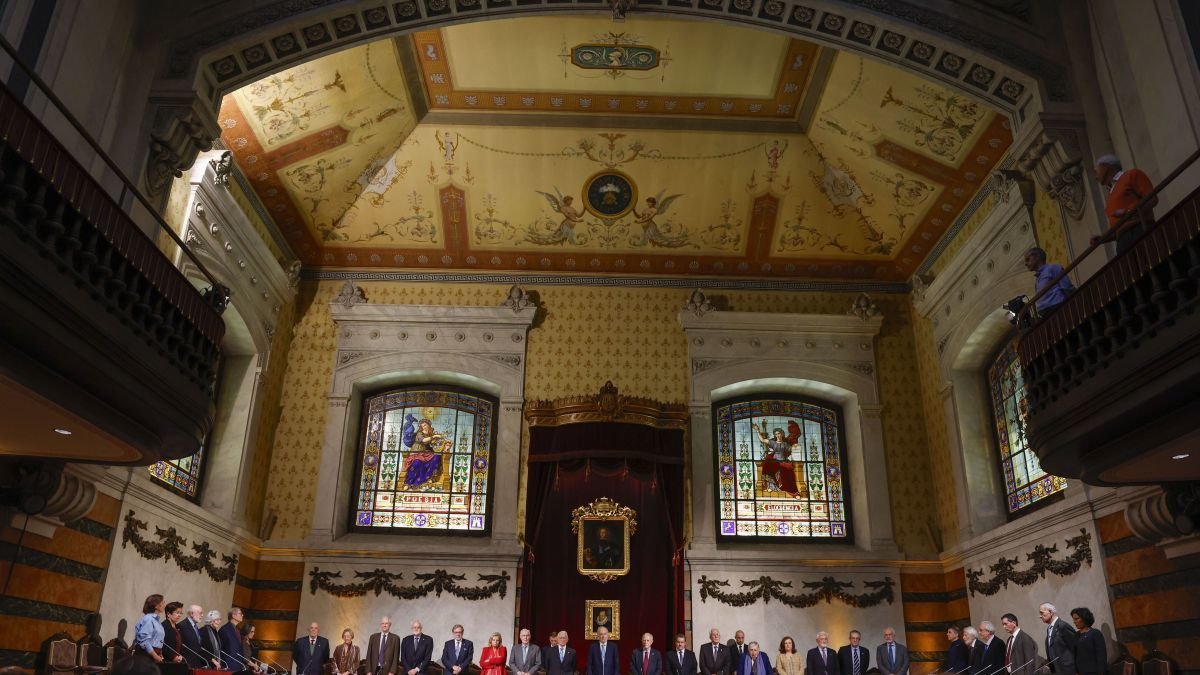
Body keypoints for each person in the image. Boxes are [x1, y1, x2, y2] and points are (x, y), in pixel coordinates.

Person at [1092, 154, 1157, 254]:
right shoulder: (1111, 194)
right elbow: (1119, 227)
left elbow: (1152, 199)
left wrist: (1129, 212)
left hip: (1140, 230)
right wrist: (1102, 239)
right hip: (1122, 241)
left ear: (1106, 167)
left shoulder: (1132, 175)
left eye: (1096, 172)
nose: (1095, 177)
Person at [752, 422, 803, 497]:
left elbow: (792, 451)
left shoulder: (786, 444)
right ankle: (770, 486)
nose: (778, 435)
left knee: (790, 473)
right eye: (776, 434)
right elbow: (762, 440)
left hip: (783, 461)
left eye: (779, 433)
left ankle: (793, 492)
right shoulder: (773, 443)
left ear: (782, 434)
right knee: (769, 465)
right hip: (775, 461)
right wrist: (757, 431)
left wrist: (796, 447)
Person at [1022, 247, 1074, 314]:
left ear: (1037, 257)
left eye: (1027, 259)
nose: (1025, 264)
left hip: (1058, 309)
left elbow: (1067, 287)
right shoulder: (1037, 279)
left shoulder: (1053, 268)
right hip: (1046, 313)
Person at [1037, 604, 1076, 675]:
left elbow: (1075, 649)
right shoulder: (1049, 629)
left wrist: (1077, 671)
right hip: (1055, 670)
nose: (1040, 616)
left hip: (1067, 670)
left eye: (1041, 613)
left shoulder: (1063, 626)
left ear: (1050, 612)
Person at [1070, 608, 1106, 675]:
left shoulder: (1095, 633)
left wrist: (1101, 673)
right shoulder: (1075, 635)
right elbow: (1075, 655)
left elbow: (1101, 656)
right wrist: (1076, 671)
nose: (1074, 622)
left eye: (1076, 619)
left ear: (1084, 618)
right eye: (1073, 619)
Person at [133, 594, 166, 662]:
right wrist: (155, 656)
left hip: (153, 655)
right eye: (163, 603)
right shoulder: (149, 619)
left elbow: (157, 640)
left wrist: (159, 653)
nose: (164, 605)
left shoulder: (156, 620)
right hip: (145, 656)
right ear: (156, 606)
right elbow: (144, 641)